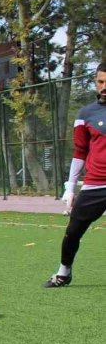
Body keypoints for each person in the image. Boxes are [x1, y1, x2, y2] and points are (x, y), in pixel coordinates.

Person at [44, 61, 106, 288]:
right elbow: (80, 152)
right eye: (100, 81)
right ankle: (63, 273)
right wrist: (70, 188)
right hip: (95, 184)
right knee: (73, 231)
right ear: (95, 82)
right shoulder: (85, 114)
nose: (104, 87)